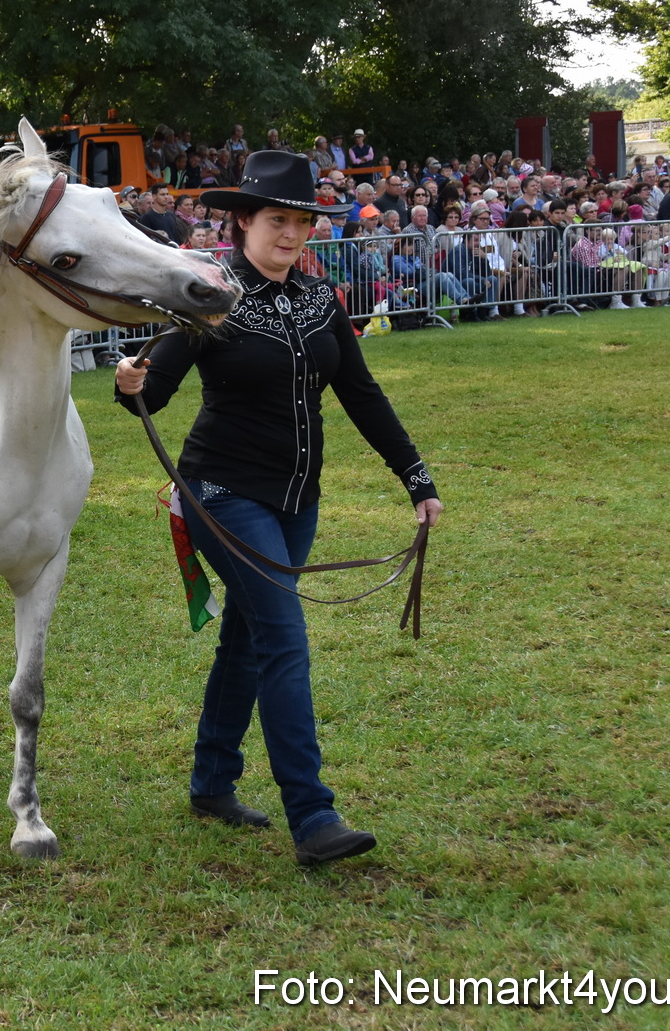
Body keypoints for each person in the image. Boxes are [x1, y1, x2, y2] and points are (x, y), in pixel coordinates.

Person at [112, 151, 442, 867]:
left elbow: (361, 393)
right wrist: (129, 379)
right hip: (222, 494)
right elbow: (152, 390)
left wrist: (416, 478)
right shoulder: (208, 294)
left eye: (300, 222)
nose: (290, 234)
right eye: (275, 220)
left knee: (247, 640)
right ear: (242, 222)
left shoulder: (323, 300)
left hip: (297, 503)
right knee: (284, 638)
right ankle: (313, 814)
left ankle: (211, 781)